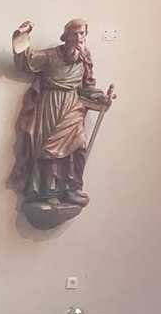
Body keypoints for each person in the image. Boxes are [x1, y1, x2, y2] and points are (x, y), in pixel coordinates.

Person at [10, 19, 116, 208]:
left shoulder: (85, 57)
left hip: (73, 106)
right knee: (50, 150)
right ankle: (48, 192)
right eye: (75, 33)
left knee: (79, 147)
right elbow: (25, 60)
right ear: (66, 36)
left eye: (82, 33)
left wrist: (101, 97)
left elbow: (86, 87)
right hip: (50, 104)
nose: (79, 38)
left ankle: (71, 189)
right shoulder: (51, 56)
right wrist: (22, 35)